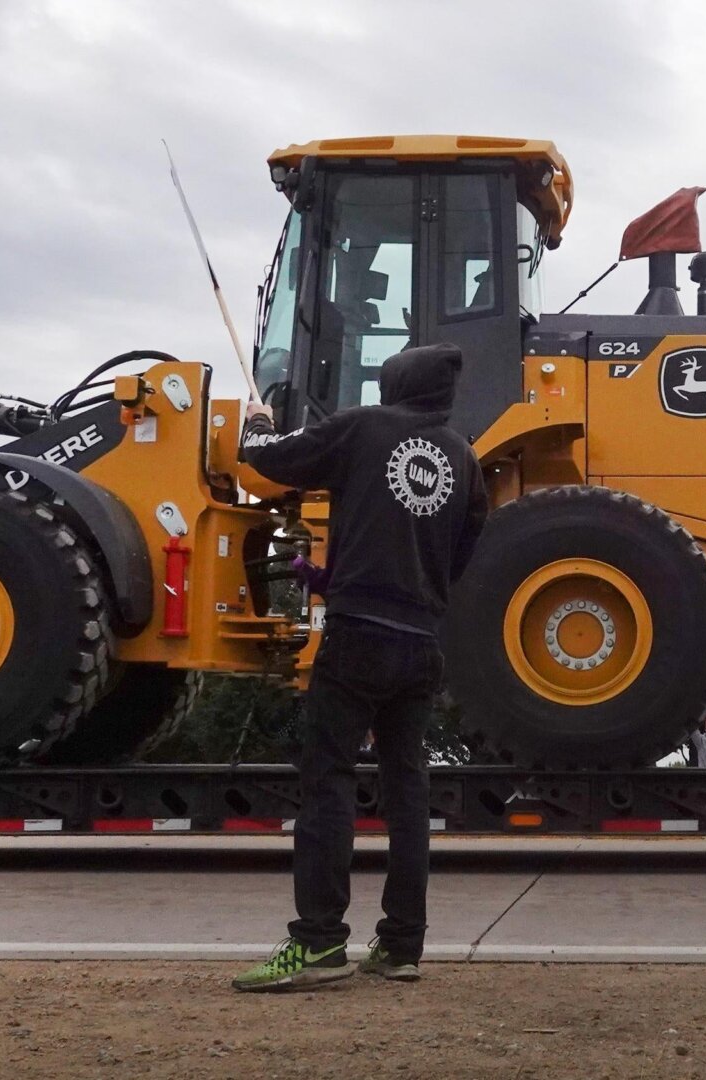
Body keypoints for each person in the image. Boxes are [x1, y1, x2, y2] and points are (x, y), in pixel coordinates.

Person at [230, 343, 487, 992]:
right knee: (407, 790)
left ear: (396, 383)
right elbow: (462, 556)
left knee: (329, 777)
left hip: (358, 636)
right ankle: (402, 946)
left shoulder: (364, 427)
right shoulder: (463, 458)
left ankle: (318, 942)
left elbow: (270, 460)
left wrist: (256, 423)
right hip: (422, 641)